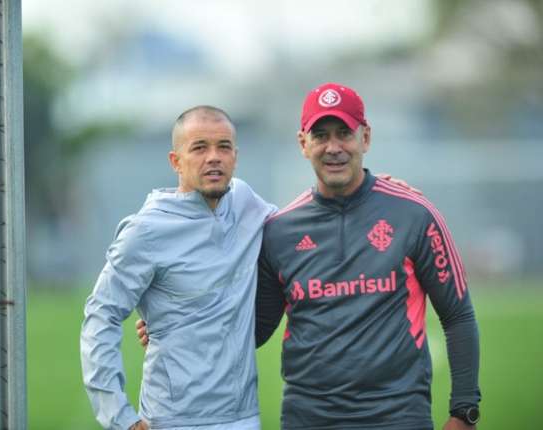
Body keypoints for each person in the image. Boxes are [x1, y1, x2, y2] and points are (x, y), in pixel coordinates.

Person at [255, 83, 481, 430]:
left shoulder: (414, 214)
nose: (334, 148)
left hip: (398, 415)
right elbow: (254, 329)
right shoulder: (279, 231)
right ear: (304, 143)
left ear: (366, 138)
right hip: (307, 417)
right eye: (321, 135)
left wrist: (464, 411)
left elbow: (458, 315)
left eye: (344, 133)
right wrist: (175, 323)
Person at [80, 106, 276, 430]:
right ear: (176, 161)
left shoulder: (245, 201)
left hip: (245, 417)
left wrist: (366, 189)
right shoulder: (145, 232)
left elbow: (297, 228)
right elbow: (102, 315)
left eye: (223, 147)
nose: (213, 157)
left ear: (235, 157)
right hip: (174, 421)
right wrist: (120, 417)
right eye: (199, 147)